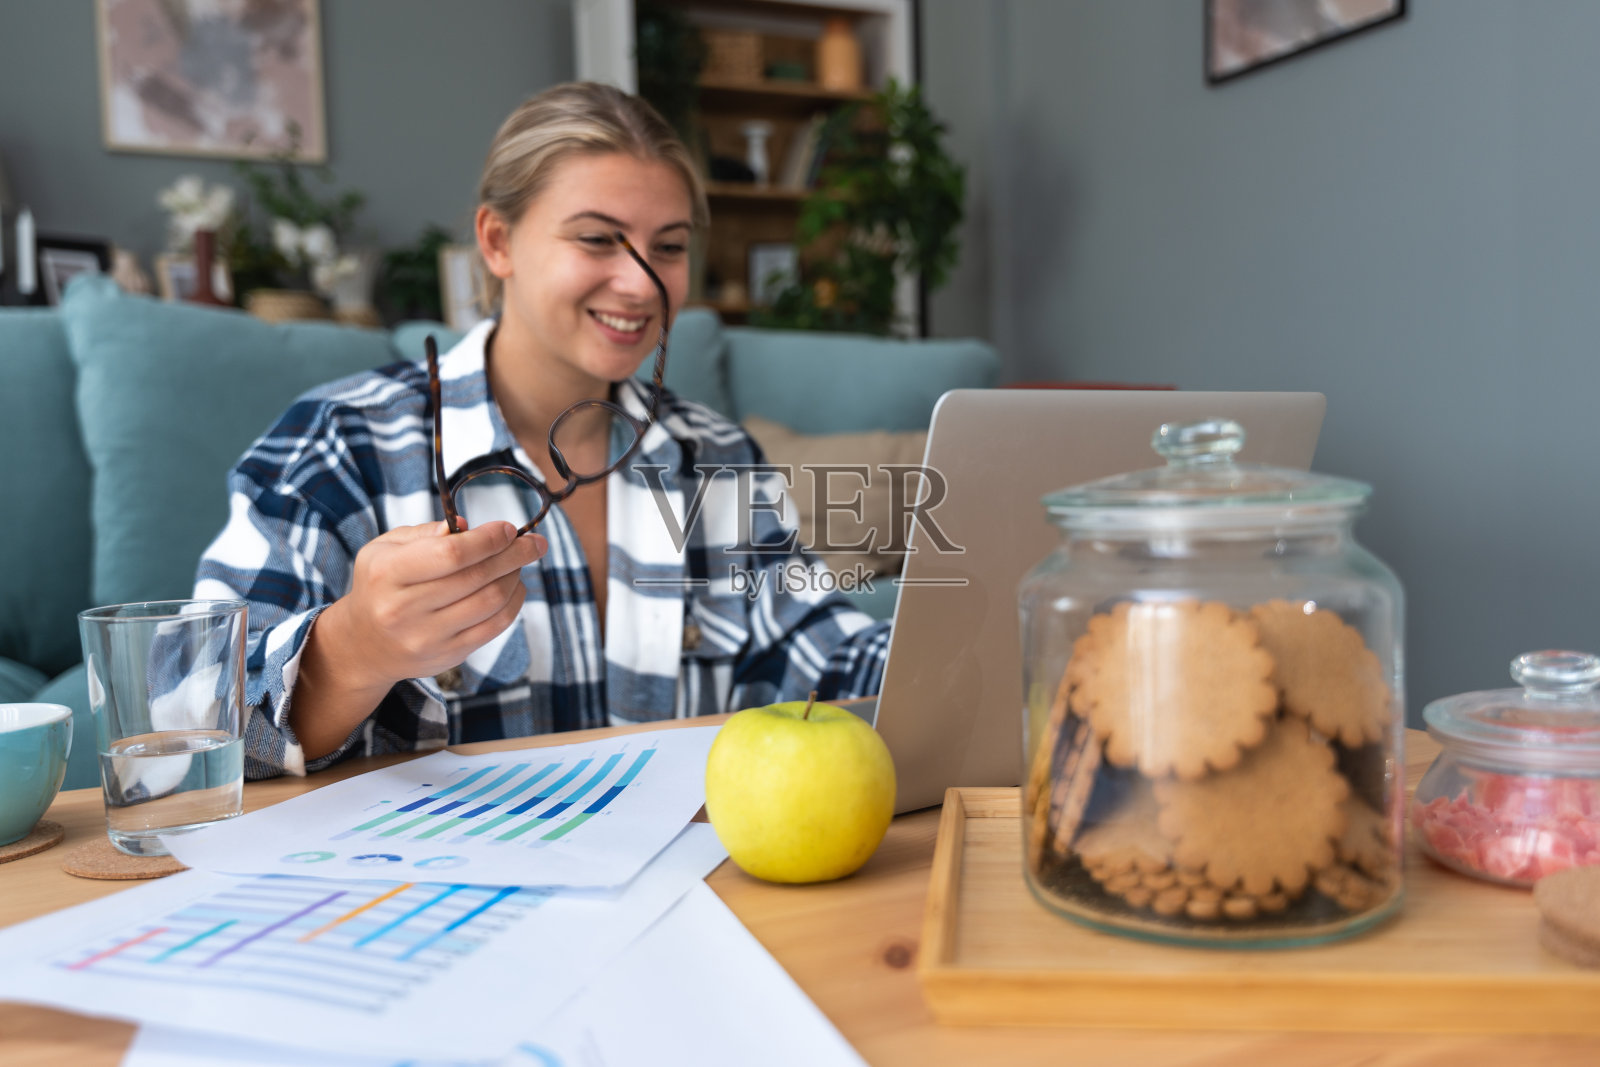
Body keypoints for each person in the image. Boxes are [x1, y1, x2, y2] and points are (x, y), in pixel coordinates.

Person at [194, 83, 891, 779]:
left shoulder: (719, 456)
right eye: (597, 239)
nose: (643, 285)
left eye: (669, 246)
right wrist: (353, 647)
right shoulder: (338, 446)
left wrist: (961, 654)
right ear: (498, 241)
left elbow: (811, 650)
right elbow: (195, 720)